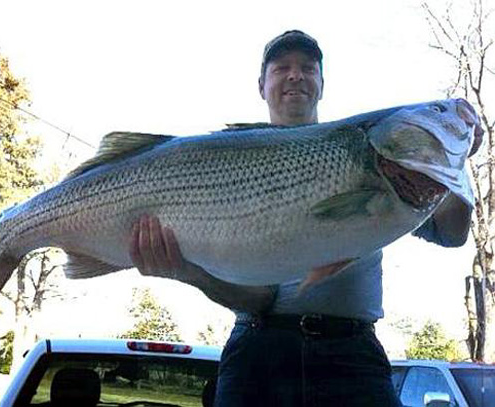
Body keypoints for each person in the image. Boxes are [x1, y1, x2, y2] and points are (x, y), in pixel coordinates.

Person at [129, 30, 474, 406]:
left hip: (353, 356)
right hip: (258, 352)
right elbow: (258, 299)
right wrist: (187, 270)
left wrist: (454, 159)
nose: (296, 75)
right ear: (262, 85)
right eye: (282, 68)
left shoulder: (382, 164)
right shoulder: (227, 162)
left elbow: (452, 233)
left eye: (308, 68)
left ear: (322, 85)